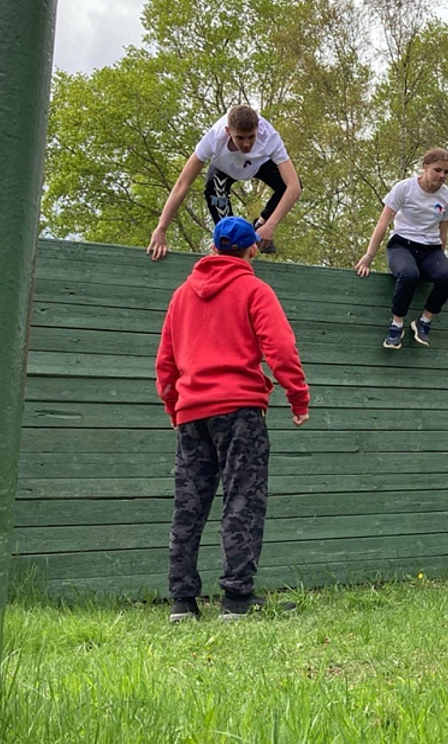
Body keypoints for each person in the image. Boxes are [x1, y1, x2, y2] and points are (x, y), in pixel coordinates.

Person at [156, 217, 311, 622]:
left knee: (189, 504)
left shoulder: (182, 295)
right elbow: (280, 348)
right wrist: (298, 398)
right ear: (252, 249)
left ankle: (181, 602)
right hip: (240, 410)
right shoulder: (254, 290)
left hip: (193, 414)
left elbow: (166, 362)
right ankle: (237, 600)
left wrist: (175, 406)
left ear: (214, 247)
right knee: (243, 498)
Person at [147, 104, 302, 261]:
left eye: (251, 137)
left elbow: (294, 187)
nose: (247, 144)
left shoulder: (270, 136)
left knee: (287, 186)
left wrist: (270, 225)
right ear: (228, 131)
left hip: (259, 165)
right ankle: (229, 250)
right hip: (224, 169)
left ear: (258, 129)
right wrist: (161, 229)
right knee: (219, 207)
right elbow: (182, 184)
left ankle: (260, 226)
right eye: (240, 138)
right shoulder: (214, 137)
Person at [354, 148, 448, 348]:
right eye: (437, 170)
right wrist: (369, 256)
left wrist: (439, 264)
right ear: (425, 166)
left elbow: (443, 232)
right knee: (409, 275)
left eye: (446, 172)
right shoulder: (405, 188)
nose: (442, 176)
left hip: (430, 249)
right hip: (402, 245)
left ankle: (424, 321)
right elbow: (383, 222)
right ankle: (396, 324)